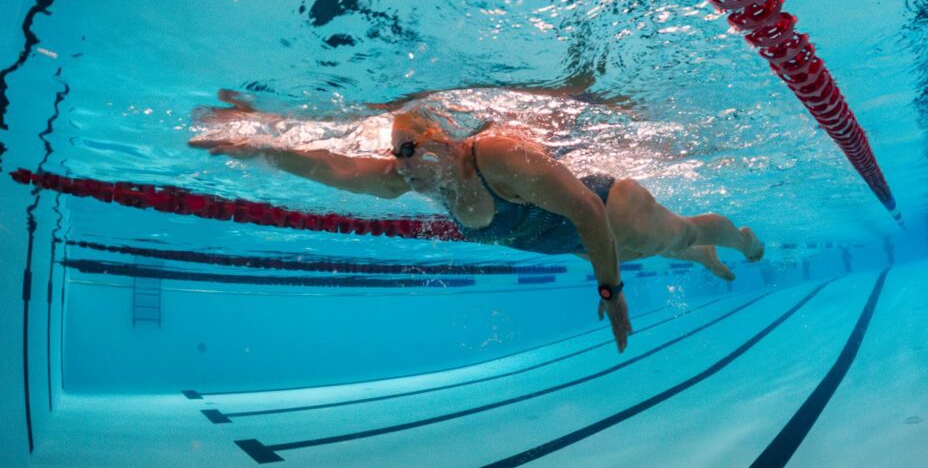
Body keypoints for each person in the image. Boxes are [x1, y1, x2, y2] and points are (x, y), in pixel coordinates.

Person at [190, 90, 764, 352]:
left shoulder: (495, 155)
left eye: (410, 150)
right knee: (658, 252)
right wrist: (258, 145)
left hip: (614, 213)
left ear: (443, 139)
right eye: (396, 155)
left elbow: (587, 210)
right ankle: (701, 254)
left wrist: (612, 293)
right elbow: (332, 166)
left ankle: (731, 238)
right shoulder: (415, 177)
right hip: (579, 244)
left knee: (678, 233)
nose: (401, 167)